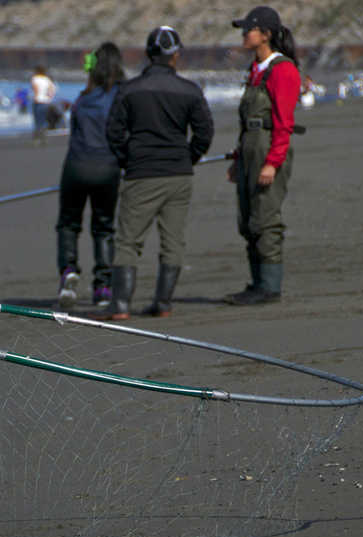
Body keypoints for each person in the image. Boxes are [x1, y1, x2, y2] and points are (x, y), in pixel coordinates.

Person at [103, 26, 214, 319]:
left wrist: (128, 159)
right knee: (173, 241)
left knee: (128, 241)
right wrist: (189, 157)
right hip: (178, 174)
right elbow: (204, 132)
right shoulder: (190, 90)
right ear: (175, 56)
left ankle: (121, 305)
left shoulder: (130, 90)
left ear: (149, 55)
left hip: (142, 172)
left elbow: (113, 132)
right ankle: (163, 303)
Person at [225, 6, 301, 305]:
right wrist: (237, 158)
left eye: (249, 30)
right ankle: (256, 283)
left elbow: (284, 123)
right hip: (249, 147)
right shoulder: (255, 70)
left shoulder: (283, 69)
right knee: (247, 218)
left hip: (268, 146)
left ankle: (269, 287)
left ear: (266, 34)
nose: (244, 35)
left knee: (265, 218)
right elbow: (246, 121)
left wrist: (272, 162)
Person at [55, 42, 126, 309]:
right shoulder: (121, 95)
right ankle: (103, 285)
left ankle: (68, 271)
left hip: (76, 165)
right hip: (107, 167)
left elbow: (75, 134)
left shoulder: (84, 97)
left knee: (69, 223)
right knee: (104, 226)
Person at [30, 65, 57, 144]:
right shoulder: (47, 79)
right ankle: (43, 137)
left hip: (38, 101)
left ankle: (37, 138)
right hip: (46, 102)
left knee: (37, 120)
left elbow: (35, 88)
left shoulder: (35, 78)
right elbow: (52, 88)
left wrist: (36, 96)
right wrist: (49, 97)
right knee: (44, 120)